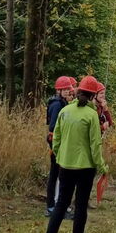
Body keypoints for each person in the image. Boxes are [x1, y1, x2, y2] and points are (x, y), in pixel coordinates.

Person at [38, 76, 109, 233]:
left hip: (65, 165)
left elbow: (56, 138)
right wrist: (102, 166)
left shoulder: (65, 111)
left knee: (61, 204)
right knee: (80, 208)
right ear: (93, 96)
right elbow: (95, 145)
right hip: (85, 168)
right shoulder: (91, 115)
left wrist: (60, 156)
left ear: (77, 92)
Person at [45, 76, 75, 217]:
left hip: (58, 141)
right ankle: (52, 206)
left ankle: (56, 205)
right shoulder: (57, 104)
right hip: (56, 142)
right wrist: (57, 145)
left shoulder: (61, 102)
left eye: (69, 89)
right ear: (59, 90)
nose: (68, 91)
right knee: (56, 175)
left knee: (58, 175)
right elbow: (53, 126)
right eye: (65, 89)